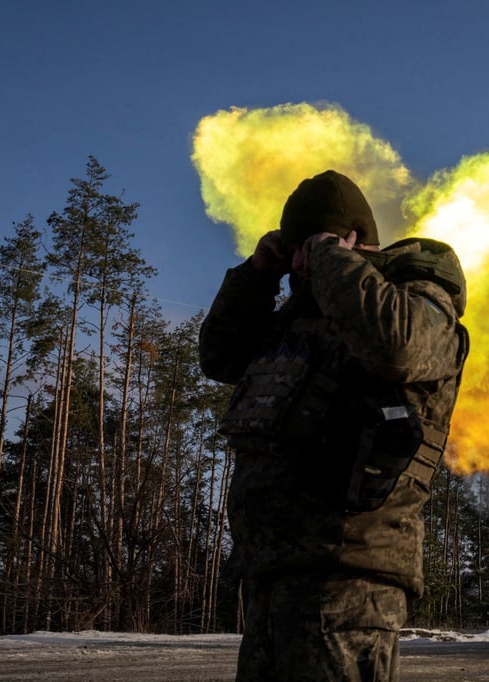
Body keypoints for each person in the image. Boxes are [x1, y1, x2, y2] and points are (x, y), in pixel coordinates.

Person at [199, 170, 469, 681]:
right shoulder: (305, 320)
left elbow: (401, 346)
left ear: (350, 242)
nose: (300, 262)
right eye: (295, 251)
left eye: (312, 246)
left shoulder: (414, 299)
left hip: (349, 585)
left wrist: (330, 259)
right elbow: (220, 356)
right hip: (271, 576)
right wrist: (258, 274)